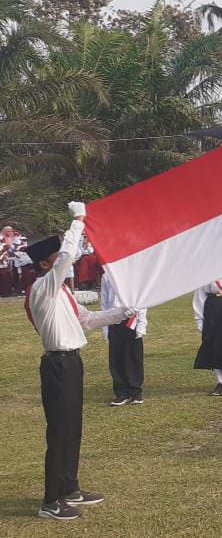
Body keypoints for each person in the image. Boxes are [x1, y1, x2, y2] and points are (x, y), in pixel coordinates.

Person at [25, 202, 135, 521]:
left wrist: (121, 313)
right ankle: (51, 500)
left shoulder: (62, 292)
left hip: (72, 363)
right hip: (58, 365)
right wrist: (78, 220)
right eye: (58, 258)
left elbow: (85, 320)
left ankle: (68, 487)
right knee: (60, 431)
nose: (66, 262)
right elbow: (68, 255)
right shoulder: (43, 288)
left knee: (72, 429)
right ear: (47, 264)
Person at [101, 272, 148, 406]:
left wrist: (142, 324)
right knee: (116, 358)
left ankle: (135, 392)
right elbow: (105, 302)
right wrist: (105, 326)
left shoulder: (135, 274)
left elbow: (142, 300)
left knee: (133, 356)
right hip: (114, 320)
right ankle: (121, 392)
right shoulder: (106, 276)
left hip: (132, 319)